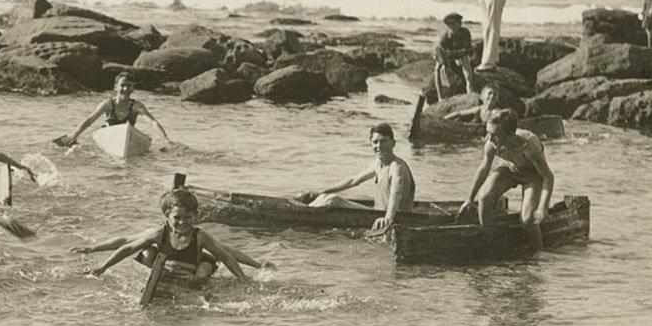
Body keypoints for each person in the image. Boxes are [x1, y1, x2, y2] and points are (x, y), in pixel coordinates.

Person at [83, 188, 260, 284]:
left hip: (195, 266)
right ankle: (158, 276)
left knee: (205, 267)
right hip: (168, 266)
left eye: (188, 218)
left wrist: (243, 279)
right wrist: (102, 265)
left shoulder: (200, 236)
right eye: (177, 218)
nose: (182, 222)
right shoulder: (159, 233)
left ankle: (197, 282)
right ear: (167, 215)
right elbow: (127, 246)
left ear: (196, 215)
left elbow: (226, 256)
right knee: (146, 250)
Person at [458, 107, 554, 249]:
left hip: (532, 175)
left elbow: (548, 177)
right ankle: (491, 245)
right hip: (508, 169)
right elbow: (484, 168)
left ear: (510, 134)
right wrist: (470, 199)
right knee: (484, 199)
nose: (489, 139)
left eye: (495, 135)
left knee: (527, 219)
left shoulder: (530, 146)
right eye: (488, 133)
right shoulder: (491, 144)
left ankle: (538, 255)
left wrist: (542, 208)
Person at [296, 122, 416, 234]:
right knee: (325, 196)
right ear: (371, 144)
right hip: (378, 213)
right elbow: (354, 180)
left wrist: (387, 219)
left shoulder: (397, 167)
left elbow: (396, 193)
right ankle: (302, 210)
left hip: (396, 217)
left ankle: (298, 215)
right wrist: (322, 192)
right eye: (375, 142)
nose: (379, 146)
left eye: (383, 141)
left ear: (393, 143)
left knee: (333, 200)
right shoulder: (378, 163)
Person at [56, 72, 171, 148]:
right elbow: (90, 119)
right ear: (115, 87)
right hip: (109, 137)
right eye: (122, 85)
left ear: (133, 88)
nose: (125, 89)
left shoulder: (136, 106)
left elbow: (152, 122)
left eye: (129, 85)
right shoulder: (107, 104)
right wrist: (75, 134)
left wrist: (165, 140)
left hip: (125, 142)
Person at [433, 12, 474, 100]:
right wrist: (445, 61)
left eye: (453, 24)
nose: (451, 27)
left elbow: (468, 49)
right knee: (438, 69)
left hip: (460, 55)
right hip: (448, 56)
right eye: (449, 25)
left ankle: (469, 88)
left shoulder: (465, 33)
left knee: (465, 61)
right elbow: (441, 51)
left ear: (459, 24)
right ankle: (440, 96)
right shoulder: (445, 37)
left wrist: (458, 55)